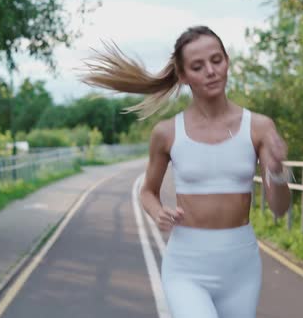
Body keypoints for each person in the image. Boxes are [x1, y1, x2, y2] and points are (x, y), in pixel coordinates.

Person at [80, 25, 291, 318]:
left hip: (241, 266)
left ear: (227, 61)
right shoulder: (166, 133)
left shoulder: (259, 127)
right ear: (183, 76)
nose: (211, 71)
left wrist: (278, 170)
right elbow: (148, 192)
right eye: (197, 66)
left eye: (217, 60)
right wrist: (158, 213)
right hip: (187, 267)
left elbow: (280, 209)